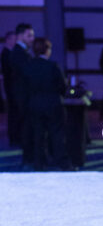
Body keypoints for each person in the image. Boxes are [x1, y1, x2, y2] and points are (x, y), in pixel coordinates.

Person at [26, 37, 70, 170]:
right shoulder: (53, 66)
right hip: (53, 104)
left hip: (35, 104)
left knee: (38, 135)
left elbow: (24, 86)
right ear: (47, 50)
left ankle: (39, 163)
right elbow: (62, 86)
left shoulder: (29, 66)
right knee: (57, 134)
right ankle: (61, 163)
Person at [9, 23, 35, 167]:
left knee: (27, 127)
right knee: (26, 127)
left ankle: (29, 157)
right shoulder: (19, 53)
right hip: (24, 97)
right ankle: (28, 158)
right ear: (20, 36)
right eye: (29, 35)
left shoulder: (21, 52)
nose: (32, 38)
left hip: (24, 96)